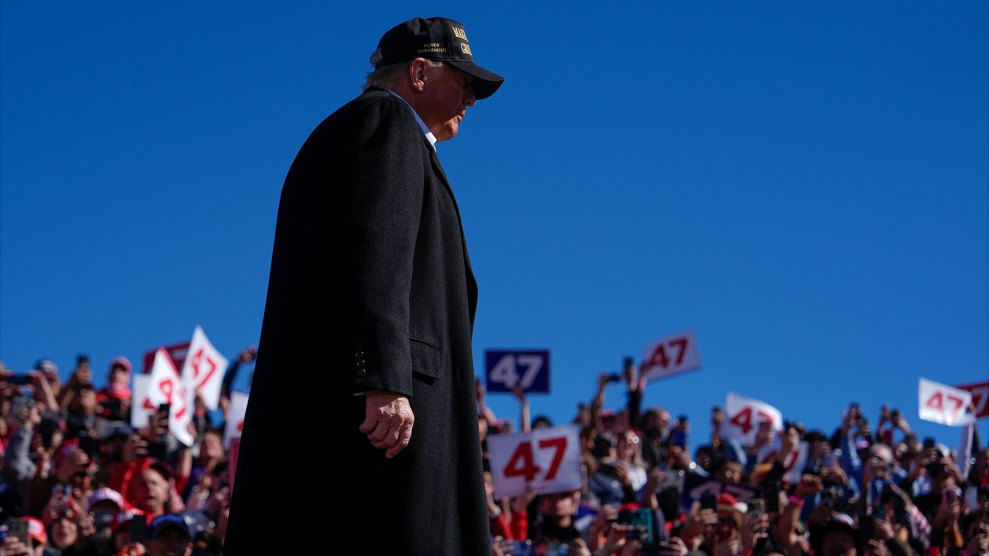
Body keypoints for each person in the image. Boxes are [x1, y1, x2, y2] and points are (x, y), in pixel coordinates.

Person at [223, 16, 503, 555]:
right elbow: (376, 251)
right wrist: (383, 378)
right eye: (462, 77)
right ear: (419, 72)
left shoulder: (377, 133)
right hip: (380, 420)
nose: (472, 93)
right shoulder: (386, 122)